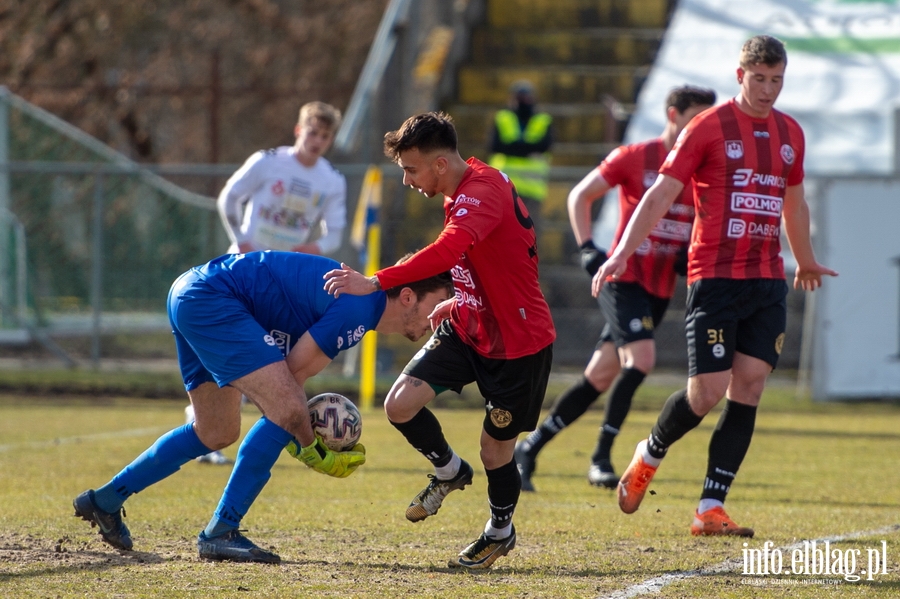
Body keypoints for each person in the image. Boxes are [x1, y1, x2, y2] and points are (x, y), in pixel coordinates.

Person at [595, 35, 838, 536]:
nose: (768, 89)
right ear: (740, 76)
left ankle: (710, 507)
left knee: (748, 386)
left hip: (766, 280)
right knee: (706, 393)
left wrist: (806, 259)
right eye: (759, 79)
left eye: (777, 80)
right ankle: (650, 453)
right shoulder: (708, 127)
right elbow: (662, 192)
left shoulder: (791, 132)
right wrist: (620, 253)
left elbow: (793, 202)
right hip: (715, 278)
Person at [73, 251, 452, 564]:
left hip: (192, 292)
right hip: (211, 298)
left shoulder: (360, 310)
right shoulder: (358, 308)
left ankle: (105, 501)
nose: (437, 320)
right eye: (437, 305)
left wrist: (299, 430)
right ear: (406, 296)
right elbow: (287, 401)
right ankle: (221, 531)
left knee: (216, 431)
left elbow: (291, 384)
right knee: (286, 408)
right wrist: (313, 448)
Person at [323, 112, 556, 569]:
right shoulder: (464, 191)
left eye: (411, 169)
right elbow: (483, 257)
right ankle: (450, 472)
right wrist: (463, 299)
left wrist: (374, 282)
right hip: (468, 324)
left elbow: (449, 250)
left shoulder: (482, 192)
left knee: (496, 450)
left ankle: (499, 531)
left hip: (517, 343)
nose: (407, 180)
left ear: (441, 165)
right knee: (399, 404)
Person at [514, 86, 716, 492]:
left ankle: (530, 448)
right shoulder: (636, 157)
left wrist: (687, 253)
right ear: (673, 115)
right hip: (623, 277)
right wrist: (588, 248)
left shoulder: (702, 168)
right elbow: (579, 196)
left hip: (658, 289)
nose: (701, 128)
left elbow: (699, 222)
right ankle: (602, 457)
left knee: (600, 375)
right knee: (641, 360)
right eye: (695, 118)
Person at [189, 101, 347, 465]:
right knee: (231, 346)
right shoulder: (268, 161)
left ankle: (261, 430)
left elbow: (335, 231)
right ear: (298, 130)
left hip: (284, 281)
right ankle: (204, 423)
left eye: (325, 135)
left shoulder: (332, 180)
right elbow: (230, 197)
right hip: (241, 271)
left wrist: (316, 247)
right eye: (312, 132)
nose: (317, 140)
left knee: (271, 353)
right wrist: (240, 237)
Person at [488, 80, 552, 233]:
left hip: (532, 190)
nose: (523, 100)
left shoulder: (543, 120)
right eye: (520, 97)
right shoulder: (502, 118)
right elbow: (495, 146)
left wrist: (512, 147)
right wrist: (529, 151)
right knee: (502, 233)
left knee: (530, 234)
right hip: (504, 187)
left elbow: (544, 146)